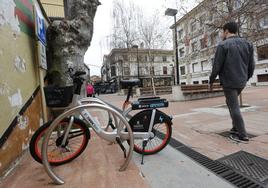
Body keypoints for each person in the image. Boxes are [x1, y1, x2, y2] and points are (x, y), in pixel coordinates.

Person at [209, 21, 255, 143]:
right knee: (230, 103)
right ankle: (235, 127)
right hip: (241, 81)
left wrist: (211, 80)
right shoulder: (248, 44)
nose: (221, 34)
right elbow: (252, 65)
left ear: (226, 31)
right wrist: (246, 78)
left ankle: (243, 134)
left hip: (229, 82)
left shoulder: (223, 45)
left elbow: (217, 66)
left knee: (234, 106)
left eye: (222, 32)